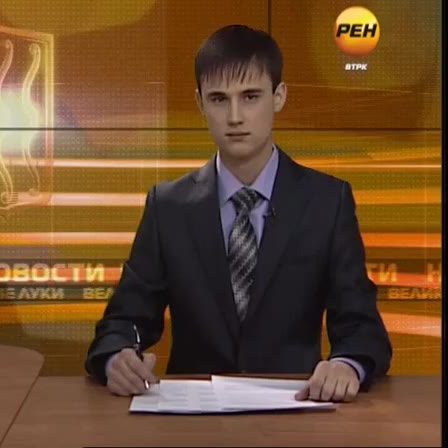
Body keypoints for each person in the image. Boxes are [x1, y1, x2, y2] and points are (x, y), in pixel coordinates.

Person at [85, 24, 392, 402]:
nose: (235, 116)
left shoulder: (327, 202)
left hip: (294, 408)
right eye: (218, 99)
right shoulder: (168, 207)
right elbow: (124, 320)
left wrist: (346, 364)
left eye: (250, 97)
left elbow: (361, 325)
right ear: (200, 103)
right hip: (193, 412)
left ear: (278, 96)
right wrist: (118, 356)